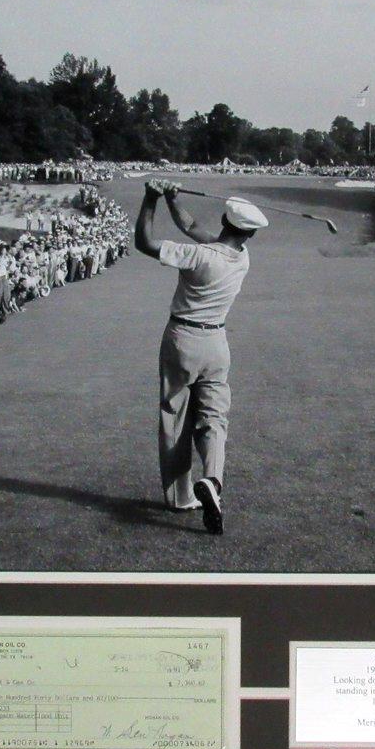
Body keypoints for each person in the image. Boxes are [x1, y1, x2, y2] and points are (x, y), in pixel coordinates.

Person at [134, 180, 268, 534]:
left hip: (182, 339)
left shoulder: (198, 256)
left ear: (225, 221)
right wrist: (174, 199)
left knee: (175, 417)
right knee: (213, 418)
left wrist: (151, 199)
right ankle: (212, 479)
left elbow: (144, 243)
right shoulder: (242, 258)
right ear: (249, 234)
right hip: (217, 343)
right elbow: (192, 227)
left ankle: (180, 497)